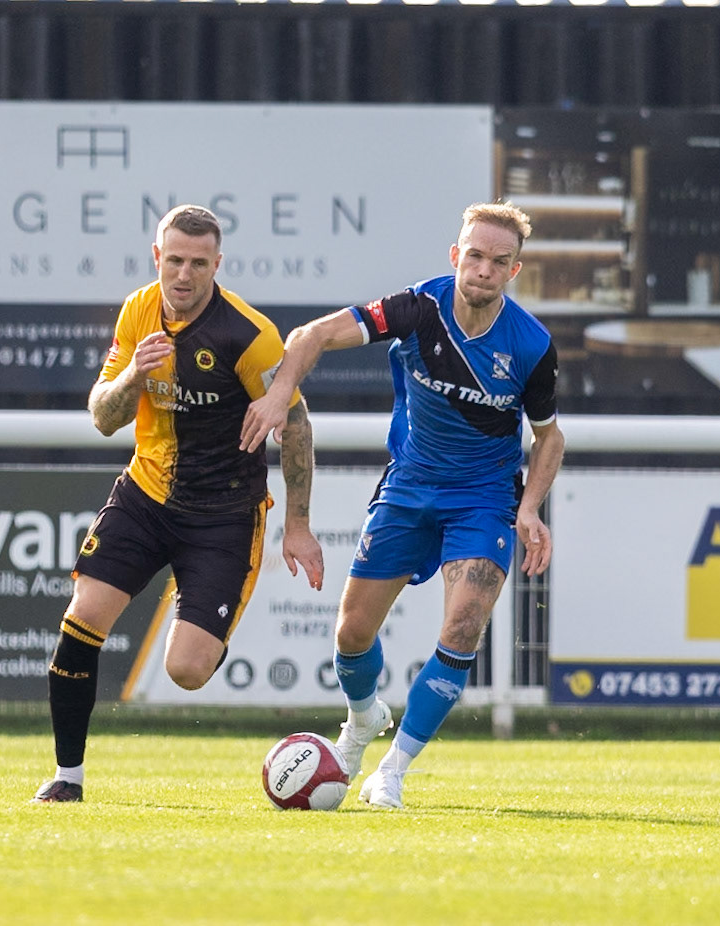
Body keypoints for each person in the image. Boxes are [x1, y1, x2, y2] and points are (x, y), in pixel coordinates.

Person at [239, 201, 564, 810]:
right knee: (352, 633)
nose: (484, 270)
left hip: (484, 497)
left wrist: (531, 507)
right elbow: (310, 335)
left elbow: (550, 437)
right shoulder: (418, 308)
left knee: (463, 626)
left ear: (515, 271)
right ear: (455, 256)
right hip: (409, 486)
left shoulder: (530, 345)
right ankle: (362, 721)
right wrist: (281, 392)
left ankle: (392, 770)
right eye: (475, 256)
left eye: (500, 261)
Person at [32, 205, 325, 803]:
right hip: (145, 494)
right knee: (83, 616)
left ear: (218, 264)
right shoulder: (140, 310)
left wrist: (298, 525)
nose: (184, 275)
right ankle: (68, 778)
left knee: (186, 671)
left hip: (224, 513)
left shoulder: (248, 335)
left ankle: (208, 636)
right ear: (156, 257)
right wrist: (133, 378)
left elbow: (294, 426)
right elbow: (103, 418)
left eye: (198, 263)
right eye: (174, 260)